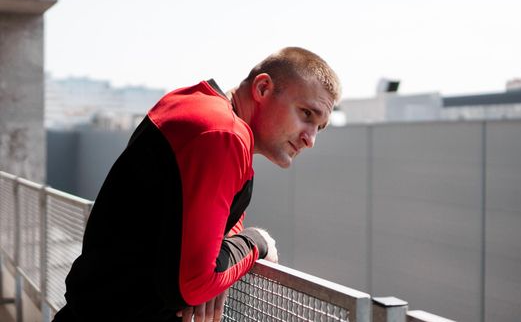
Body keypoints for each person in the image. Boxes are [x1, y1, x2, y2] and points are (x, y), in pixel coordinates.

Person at [52, 47, 341, 322]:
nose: (310, 139)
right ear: (263, 88)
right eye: (306, 114)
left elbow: (216, 222)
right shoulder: (223, 134)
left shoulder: (193, 104)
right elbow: (193, 285)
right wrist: (258, 242)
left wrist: (221, 264)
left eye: (320, 127)